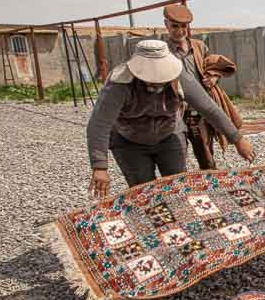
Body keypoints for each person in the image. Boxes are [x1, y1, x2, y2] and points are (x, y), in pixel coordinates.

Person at [86, 39, 255, 198]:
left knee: (177, 187)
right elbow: (99, 123)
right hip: (130, 142)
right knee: (144, 192)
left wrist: (237, 139)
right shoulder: (120, 82)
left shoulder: (179, 77)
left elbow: (208, 108)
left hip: (169, 135)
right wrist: (100, 167)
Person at [164, 3, 242, 169]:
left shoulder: (198, 46)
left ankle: (210, 182)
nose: (179, 31)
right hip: (176, 113)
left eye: (183, 26)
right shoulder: (163, 52)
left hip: (199, 112)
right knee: (176, 158)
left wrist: (214, 78)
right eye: (175, 26)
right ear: (166, 25)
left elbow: (211, 66)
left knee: (206, 158)